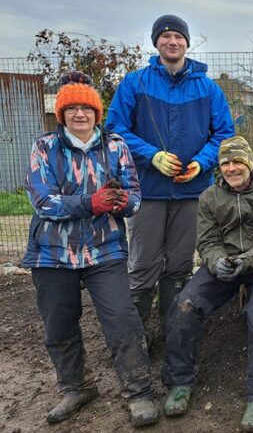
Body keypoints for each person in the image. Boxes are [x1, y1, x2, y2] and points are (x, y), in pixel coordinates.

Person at [22, 72, 159, 427]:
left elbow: (135, 198)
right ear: (61, 113)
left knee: (122, 319)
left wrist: (122, 201)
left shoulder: (115, 147)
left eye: (87, 108)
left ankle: (139, 391)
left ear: (97, 113)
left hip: (105, 250)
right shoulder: (44, 148)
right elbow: (43, 202)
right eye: (72, 108)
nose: (80, 114)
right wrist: (91, 203)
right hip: (51, 253)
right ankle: (76, 386)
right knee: (59, 325)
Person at [106, 14, 234, 341]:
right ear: (156, 43)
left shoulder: (207, 88)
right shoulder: (135, 83)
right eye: (165, 37)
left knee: (179, 265)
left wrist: (203, 162)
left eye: (178, 36)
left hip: (192, 192)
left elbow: (224, 134)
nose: (172, 42)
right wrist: (153, 155)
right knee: (142, 264)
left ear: (187, 43)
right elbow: (115, 129)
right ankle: (134, 339)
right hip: (147, 191)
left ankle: (171, 333)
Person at [161, 136, 253, 432]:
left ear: (250, 163)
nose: (231, 168)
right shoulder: (209, 197)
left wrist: (248, 261)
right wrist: (216, 260)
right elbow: (206, 242)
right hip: (224, 264)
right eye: (225, 163)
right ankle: (179, 383)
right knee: (184, 303)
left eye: (237, 161)